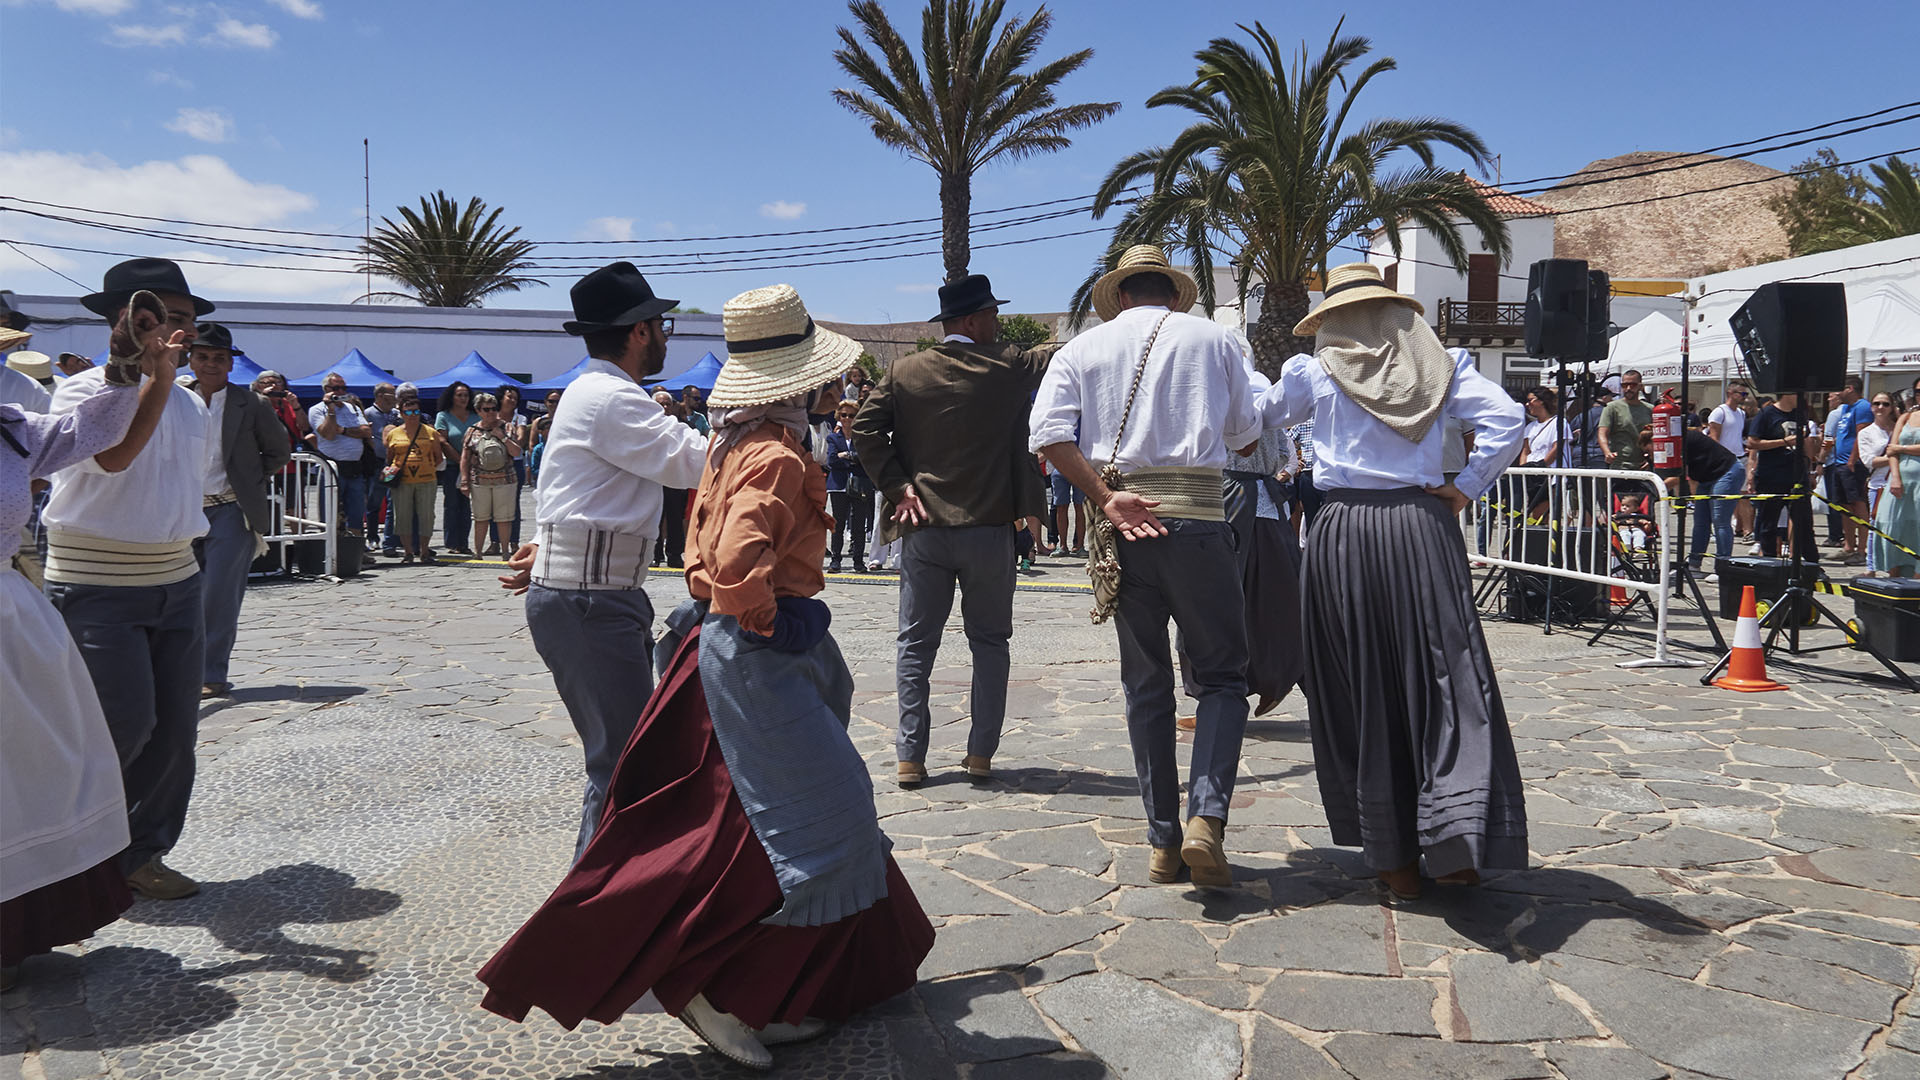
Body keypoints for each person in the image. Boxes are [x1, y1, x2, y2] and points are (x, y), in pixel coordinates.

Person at [479, 284, 932, 1071]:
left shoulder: (729, 437)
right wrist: (774, 617)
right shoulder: (766, 448)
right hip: (730, 650)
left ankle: (731, 979)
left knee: (720, 819)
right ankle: (670, 965)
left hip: (685, 633)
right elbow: (730, 560)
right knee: (708, 814)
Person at [1254, 262, 1527, 903]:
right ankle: (1457, 842)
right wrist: (1464, 488)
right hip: (1420, 525)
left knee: (1360, 682)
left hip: (1341, 530)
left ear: (1329, 321)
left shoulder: (1312, 372)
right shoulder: (1445, 367)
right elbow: (1509, 421)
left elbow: (1255, 417)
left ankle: (1392, 857)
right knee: (1447, 676)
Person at [1029, 245, 1259, 888]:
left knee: (1146, 683)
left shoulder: (1080, 349)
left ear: (1122, 296)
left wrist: (1104, 497)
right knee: (1220, 679)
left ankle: (1161, 840)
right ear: (1171, 293)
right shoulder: (1217, 339)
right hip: (1200, 524)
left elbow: (1046, 435)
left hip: (1122, 526)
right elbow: (1243, 435)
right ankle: (1204, 820)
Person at [501, 262, 708, 858]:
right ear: (640, 331)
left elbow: (579, 493)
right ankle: (586, 912)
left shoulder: (597, 393)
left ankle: (599, 905)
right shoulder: (612, 397)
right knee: (622, 766)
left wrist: (549, 547)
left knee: (623, 760)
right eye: (661, 324)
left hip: (593, 594)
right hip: (590, 601)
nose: (668, 335)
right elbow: (694, 459)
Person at [0, 304, 173, 991]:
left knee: (27, 777)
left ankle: (15, 929)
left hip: (9, 623)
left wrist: (130, 363)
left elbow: (89, 430)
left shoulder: (10, 430)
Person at [42, 259, 212, 901]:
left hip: (177, 579)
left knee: (174, 732)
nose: (177, 332)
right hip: (96, 583)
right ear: (125, 320)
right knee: (121, 723)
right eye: (162, 318)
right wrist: (156, 379)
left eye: (185, 321)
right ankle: (65, 858)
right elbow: (113, 459)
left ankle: (141, 855)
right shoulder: (81, 392)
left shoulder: (194, 403)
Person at [852, 273, 1058, 786]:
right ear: (970, 320)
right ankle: (981, 752)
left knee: (915, 646)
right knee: (990, 643)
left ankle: (910, 756)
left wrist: (900, 488)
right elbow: (1055, 352)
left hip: (924, 529)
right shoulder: (1006, 365)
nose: (997, 322)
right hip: (988, 531)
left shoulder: (903, 371)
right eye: (990, 314)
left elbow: (864, 431)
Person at [186, 324, 291, 699]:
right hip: (182, 511)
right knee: (182, 594)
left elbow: (279, 450)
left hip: (231, 509)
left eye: (219, 358)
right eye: (203, 357)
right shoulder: (176, 398)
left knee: (219, 595)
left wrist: (249, 479)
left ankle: (212, 673)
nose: (211, 364)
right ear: (191, 359)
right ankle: (179, 671)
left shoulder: (252, 404)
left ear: (231, 363)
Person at [1746, 391, 1821, 564]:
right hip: (1771, 476)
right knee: (1768, 525)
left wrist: (1810, 469)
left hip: (1797, 475)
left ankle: (1812, 565)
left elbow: (1806, 442)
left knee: (1804, 523)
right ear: (1788, 394)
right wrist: (1785, 442)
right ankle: (1770, 563)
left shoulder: (1800, 414)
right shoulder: (1766, 414)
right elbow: (1752, 442)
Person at [382, 390, 442, 564]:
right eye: (408, 412)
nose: (413, 415)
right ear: (401, 414)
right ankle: (408, 552)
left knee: (426, 516)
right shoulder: (394, 433)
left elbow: (438, 457)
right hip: (403, 482)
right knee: (402, 516)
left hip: (426, 480)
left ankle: (424, 551)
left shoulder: (430, 432)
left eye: (416, 411)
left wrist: (427, 468)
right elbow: (390, 457)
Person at [461, 392, 522, 557]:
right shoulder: (472, 430)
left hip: (505, 480)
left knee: (504, 518)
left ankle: (504, 551)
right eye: (486, 409)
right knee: (480, 518)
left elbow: (517, 452)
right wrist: (464, 480)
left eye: (494, 408)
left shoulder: (507, 427)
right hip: (479, 481)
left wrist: (502, 438)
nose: (491, 412)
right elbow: (465, 457)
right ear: (478, 410)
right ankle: (478, 552)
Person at [1826, 376, 1874, 565]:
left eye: (1841, 389)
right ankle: (1848, 545)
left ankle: (1862, 550)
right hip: (1839, 462)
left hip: (1853, 464)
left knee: (1858, 504)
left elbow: (1861, 434)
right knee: (1843, 505)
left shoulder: (1862, 406)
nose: (1837, 393)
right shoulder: (1845, 408)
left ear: (1851, 388)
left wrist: (1853, 459)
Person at [1875, 380, 1920, 578]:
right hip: (1900, 479)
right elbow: (1890, 450)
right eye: (1917, 391)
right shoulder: (1905, 417)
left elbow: (1896, 448)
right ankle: (1894, 580)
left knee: (1917, 529)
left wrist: (1902, 449)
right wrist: (1895, 478)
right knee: (1890, 525)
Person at [823, 399, 872, 573]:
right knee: (838, 523)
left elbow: (866, 459)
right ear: (838, 416)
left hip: (859, 484)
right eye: (843, 415)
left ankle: (858, 561)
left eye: (851, 415)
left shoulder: (862, 437)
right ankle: (836, 560)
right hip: (839, 485)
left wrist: (847, 456)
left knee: (859, 524)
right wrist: (852, 458)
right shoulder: (833, 437)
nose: (847, 419)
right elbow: (832, 460)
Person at [1856, 390, 1898, 576]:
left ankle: (1895, 567)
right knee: (1876, 526)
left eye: (1885, 404)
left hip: (1903, 482)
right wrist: (1898, 454)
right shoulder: (1866, 433)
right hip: (1879, 484)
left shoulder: (1900, 427)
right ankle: (1871, 567)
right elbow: (1869, 461)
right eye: (1876, 403)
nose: (1880, 407)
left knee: (1900, 526)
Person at [435, 381, 476, 554]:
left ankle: (464, 543)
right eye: (459, 395)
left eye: (466, 395)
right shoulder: (443, 416)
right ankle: (452, 543)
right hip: (452, 468)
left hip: (474, 467)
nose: (463, 398)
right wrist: (461, 461)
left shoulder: (476, 416)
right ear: (452, 397)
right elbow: (442, 441)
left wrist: (469, 463)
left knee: (466, 507)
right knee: (451, 505)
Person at [363, 383, 402, 555]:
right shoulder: (368, 414)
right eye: (391, 393)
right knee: (374, 501)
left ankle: (393, 538)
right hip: (377, 463)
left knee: (394, 502)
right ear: (380, 395)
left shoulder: (396, 414)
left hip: (394, 464)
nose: (395, 396)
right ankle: (372, 536)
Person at [1597, 369, 1652, 471]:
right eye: (1624, 385)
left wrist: (1651, 459)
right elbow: (1602, 432)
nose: (1628, 388)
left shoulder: (1650, 409)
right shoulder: (1611, 407)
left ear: (1640, 386)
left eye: (1633, 385)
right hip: (1620, 466)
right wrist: (1607, 452)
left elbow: (1657, 438)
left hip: (1644, 467)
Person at [497, 385, 530, 550]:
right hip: (494, 464)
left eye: (515, 398)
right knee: (494, 504)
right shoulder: (492, 416)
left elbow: (521, 440)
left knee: (513, 503)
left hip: (515, 463)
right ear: (501, 398)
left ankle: (514, 541)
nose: (512, 401)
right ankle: (495, 542)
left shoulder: (520, 419)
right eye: (509, 397)